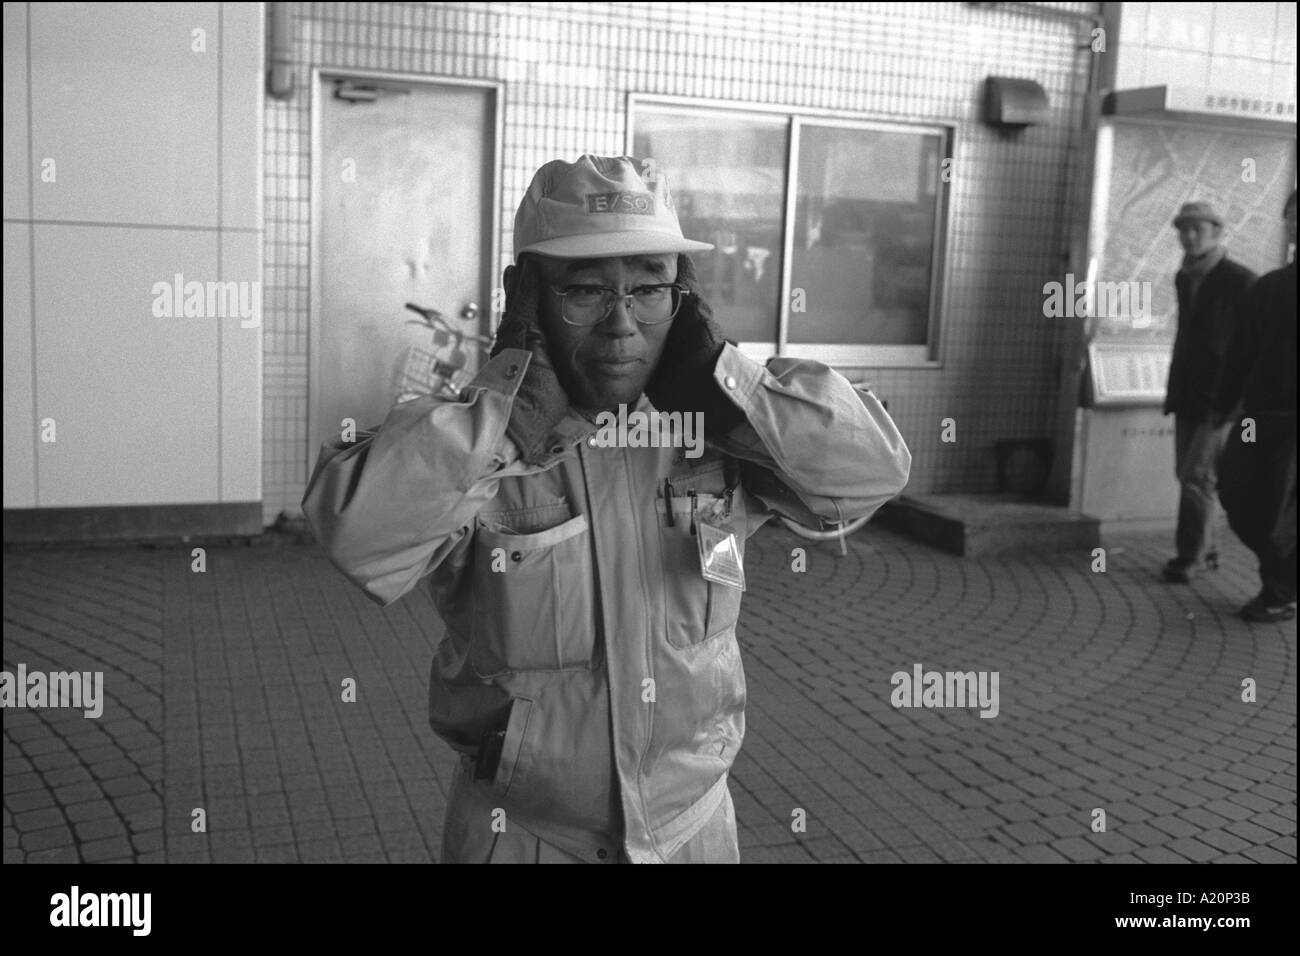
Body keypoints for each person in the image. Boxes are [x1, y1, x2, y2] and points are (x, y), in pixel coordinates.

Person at [301, 154, 912, 863]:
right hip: (525, 834)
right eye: (585, 290)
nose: (622, 324)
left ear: (682, 298)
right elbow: (357, 532)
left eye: (650, 287)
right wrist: (506, 421)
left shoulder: (718, 429)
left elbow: (874, 472)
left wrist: (727, 384)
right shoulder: (480, 442)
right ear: (525, 298)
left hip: (694, 829)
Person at [1211, 190, 1297, 623]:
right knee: (1240, 496)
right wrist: (1221, 407)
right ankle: (1281, 582)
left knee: (1282, 512)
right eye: (1294, 218)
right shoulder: (1269, 287)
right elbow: (1240, 352)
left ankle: (1279, 592)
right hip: (1258, 418)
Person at [1160, 201, 1257, 583]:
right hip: (1189, 392)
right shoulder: (1185, 277)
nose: (1188, 236)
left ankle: (1190, 557)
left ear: (1217, 233)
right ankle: (1208, 549)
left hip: (1223, 398)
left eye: (1196, 229)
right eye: (1183, 229)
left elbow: (1252, 345)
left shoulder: (1241, 281)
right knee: (1188, 474)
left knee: (1197, 475)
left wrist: (1239, 400)